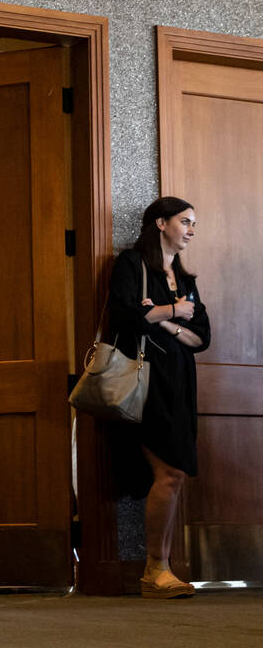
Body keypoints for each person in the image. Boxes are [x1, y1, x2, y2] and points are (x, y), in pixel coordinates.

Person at [108, 196, 210, 599]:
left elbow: (201, 337)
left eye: (194, 224)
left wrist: (162, 316)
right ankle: (156, 569)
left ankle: (159, 568)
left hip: (180, 384)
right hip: (146, 381)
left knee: (177, 475)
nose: (191, 230)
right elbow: (124, 316)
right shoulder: (132, 265)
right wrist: (175, 314)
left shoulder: (186, 280)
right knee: (169, 474)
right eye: (185, 221)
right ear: (160, 223)